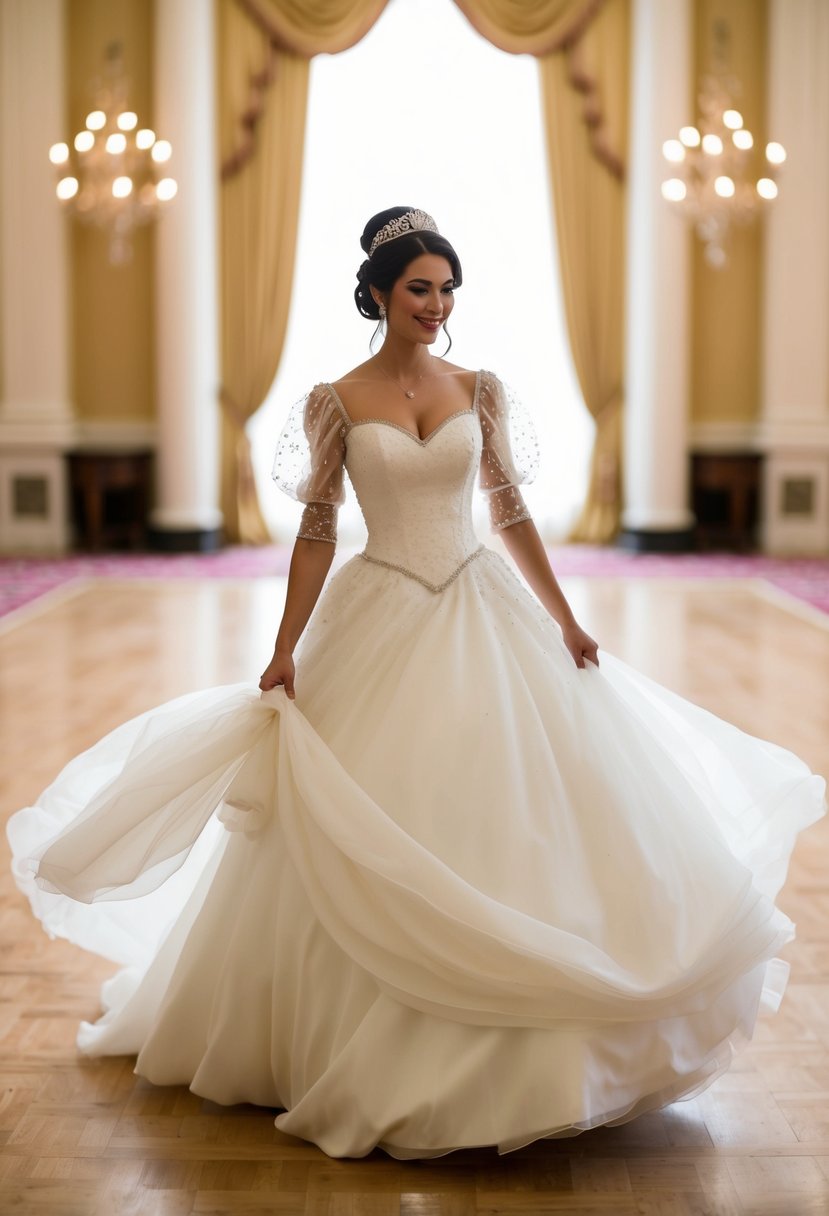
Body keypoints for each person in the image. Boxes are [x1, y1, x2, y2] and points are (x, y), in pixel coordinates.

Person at [7, 206, 827, 1161]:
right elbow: (317, 530)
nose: (436, 307)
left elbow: (509, 511)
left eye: (445, 289)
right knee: (353, 813)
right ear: (378, 294)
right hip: (377, 607)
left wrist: (565, 618)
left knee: (516, 804)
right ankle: (331, 1041)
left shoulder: (479, 388)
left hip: (482, 606)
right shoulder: (335, 399)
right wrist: (284, 647)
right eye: (418, 289)